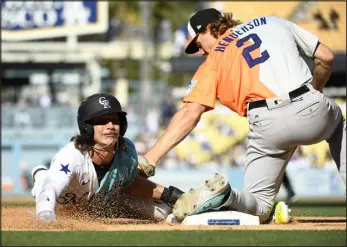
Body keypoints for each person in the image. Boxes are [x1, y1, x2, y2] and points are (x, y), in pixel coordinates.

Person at [138, 8, 346, 223]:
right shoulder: (273, 20)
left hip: (267, 124)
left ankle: (226, 195)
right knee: (339, 125)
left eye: (199, 44)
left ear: (211, 28)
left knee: (260, 206)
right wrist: (315, 89)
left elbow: (190, 113)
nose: (200, 51)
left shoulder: (213, 62)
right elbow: (326, 57)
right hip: (310, 105)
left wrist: (150, 159)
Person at [30, 93, 184, 222]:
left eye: (115, 120)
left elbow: (130, 183)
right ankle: (41, 174)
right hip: (64, 206)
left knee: (165, 212)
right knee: (45, 182)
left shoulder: (127, 152)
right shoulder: (71, 156)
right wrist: (46, 214)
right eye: (102, 121)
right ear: (87, 127)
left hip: (102, 202)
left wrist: (169, 195)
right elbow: (49, 188)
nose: (111, 126)